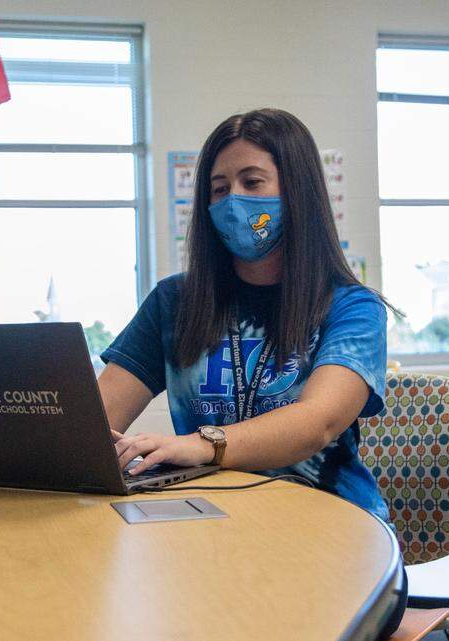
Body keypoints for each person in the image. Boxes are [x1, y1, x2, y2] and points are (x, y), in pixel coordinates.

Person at [97, 108, 407, 636]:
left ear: (299, 191)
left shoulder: (351, 308)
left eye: (252, 182)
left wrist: (201, 442)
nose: (232, 201)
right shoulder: (174, 301)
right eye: (218, 188)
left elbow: (319, 422)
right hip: (204, 523)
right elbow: (95, 418)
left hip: (332, 532)